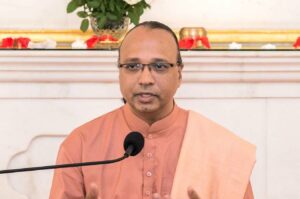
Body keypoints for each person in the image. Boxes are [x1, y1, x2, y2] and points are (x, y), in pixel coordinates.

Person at [50, 21, 256, 199]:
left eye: (159, 67)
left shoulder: (221, 149)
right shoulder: (81, 145)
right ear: (119, 72)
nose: (145, 79)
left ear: (179, 74)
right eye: (132, 67)